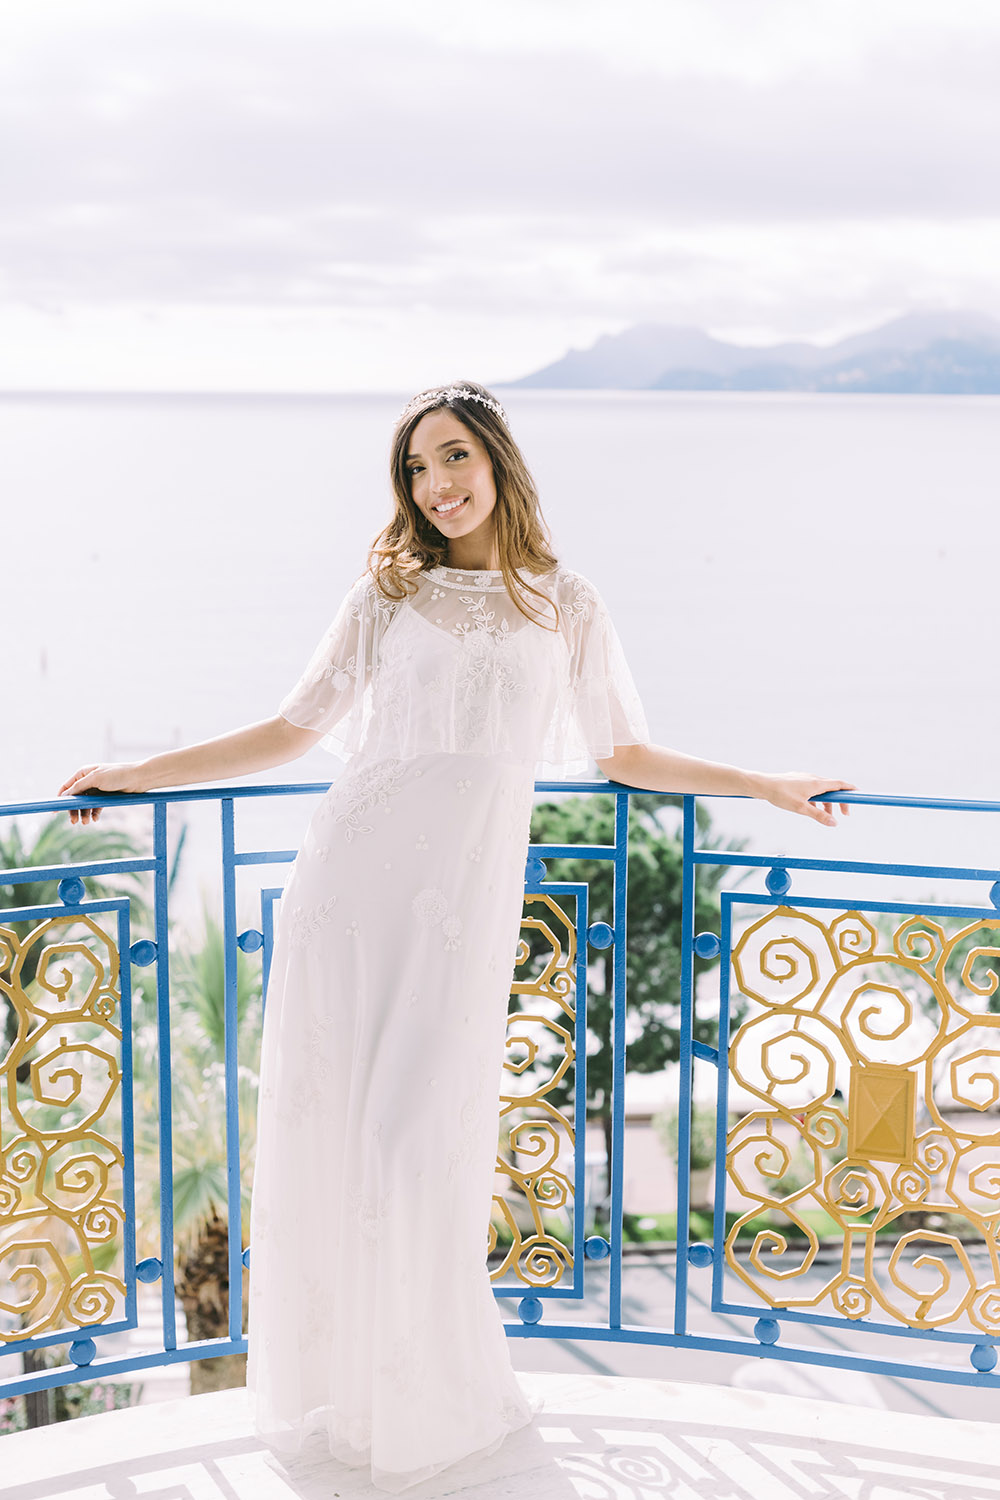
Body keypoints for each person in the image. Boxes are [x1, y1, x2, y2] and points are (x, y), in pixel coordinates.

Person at [58, 380, 853, 1492]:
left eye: (453, 459)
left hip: (462, 910)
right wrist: (136, 771)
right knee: (345, 1137)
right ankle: (354, 1398)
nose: (437, 485)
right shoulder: (386, 595)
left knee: (412, 1149)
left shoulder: (564, 604)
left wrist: (763, 782)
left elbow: (623, 752)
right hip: (348, 891)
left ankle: (424, 1395)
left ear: (499, 463)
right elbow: (295, 728)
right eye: (417, 469)